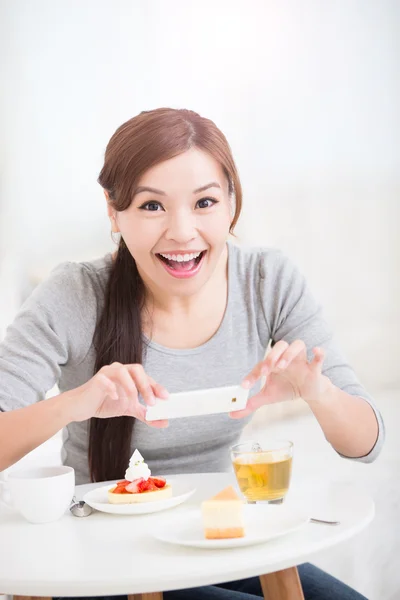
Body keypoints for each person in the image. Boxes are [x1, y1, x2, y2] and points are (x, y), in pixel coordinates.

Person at [0, 108, 382, 600]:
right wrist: (76, 403)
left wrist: (317, 391)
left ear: (230, 205)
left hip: (219, 533)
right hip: (101, 554)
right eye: (152, 206)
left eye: (204, 202)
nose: (182, 232)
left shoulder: (267, 281)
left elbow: (366, 443)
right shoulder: (75, 293)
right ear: (113, 212)